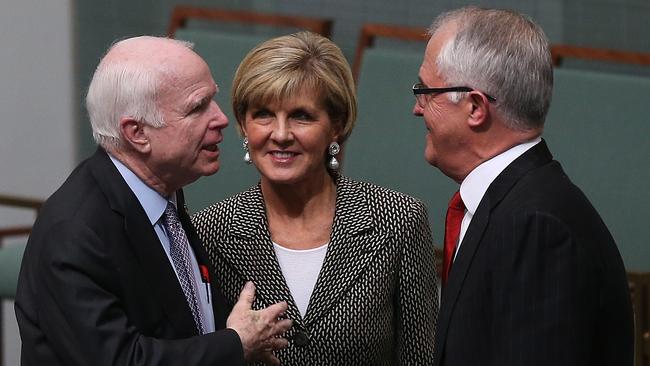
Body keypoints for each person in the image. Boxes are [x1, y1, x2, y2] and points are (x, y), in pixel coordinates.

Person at [15, 36, 292, 366]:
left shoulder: (164, 191)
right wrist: (235, 344)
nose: (221, 119)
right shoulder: (75, 232)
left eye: (213, 100)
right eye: (197, 107)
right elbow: (121, 360)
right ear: (137, 133)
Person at [192, 31, 438, 365]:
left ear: (335, 125)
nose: (280, 134)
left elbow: (420, 357)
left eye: (301, 116)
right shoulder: (208, 231)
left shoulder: (398, 219)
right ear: (243, 126)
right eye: (263, 114)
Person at [411, 7, 634, 366]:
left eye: (426, 91)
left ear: (474, 107)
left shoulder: (536, 228)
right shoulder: (518, 206)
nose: (417, 109)